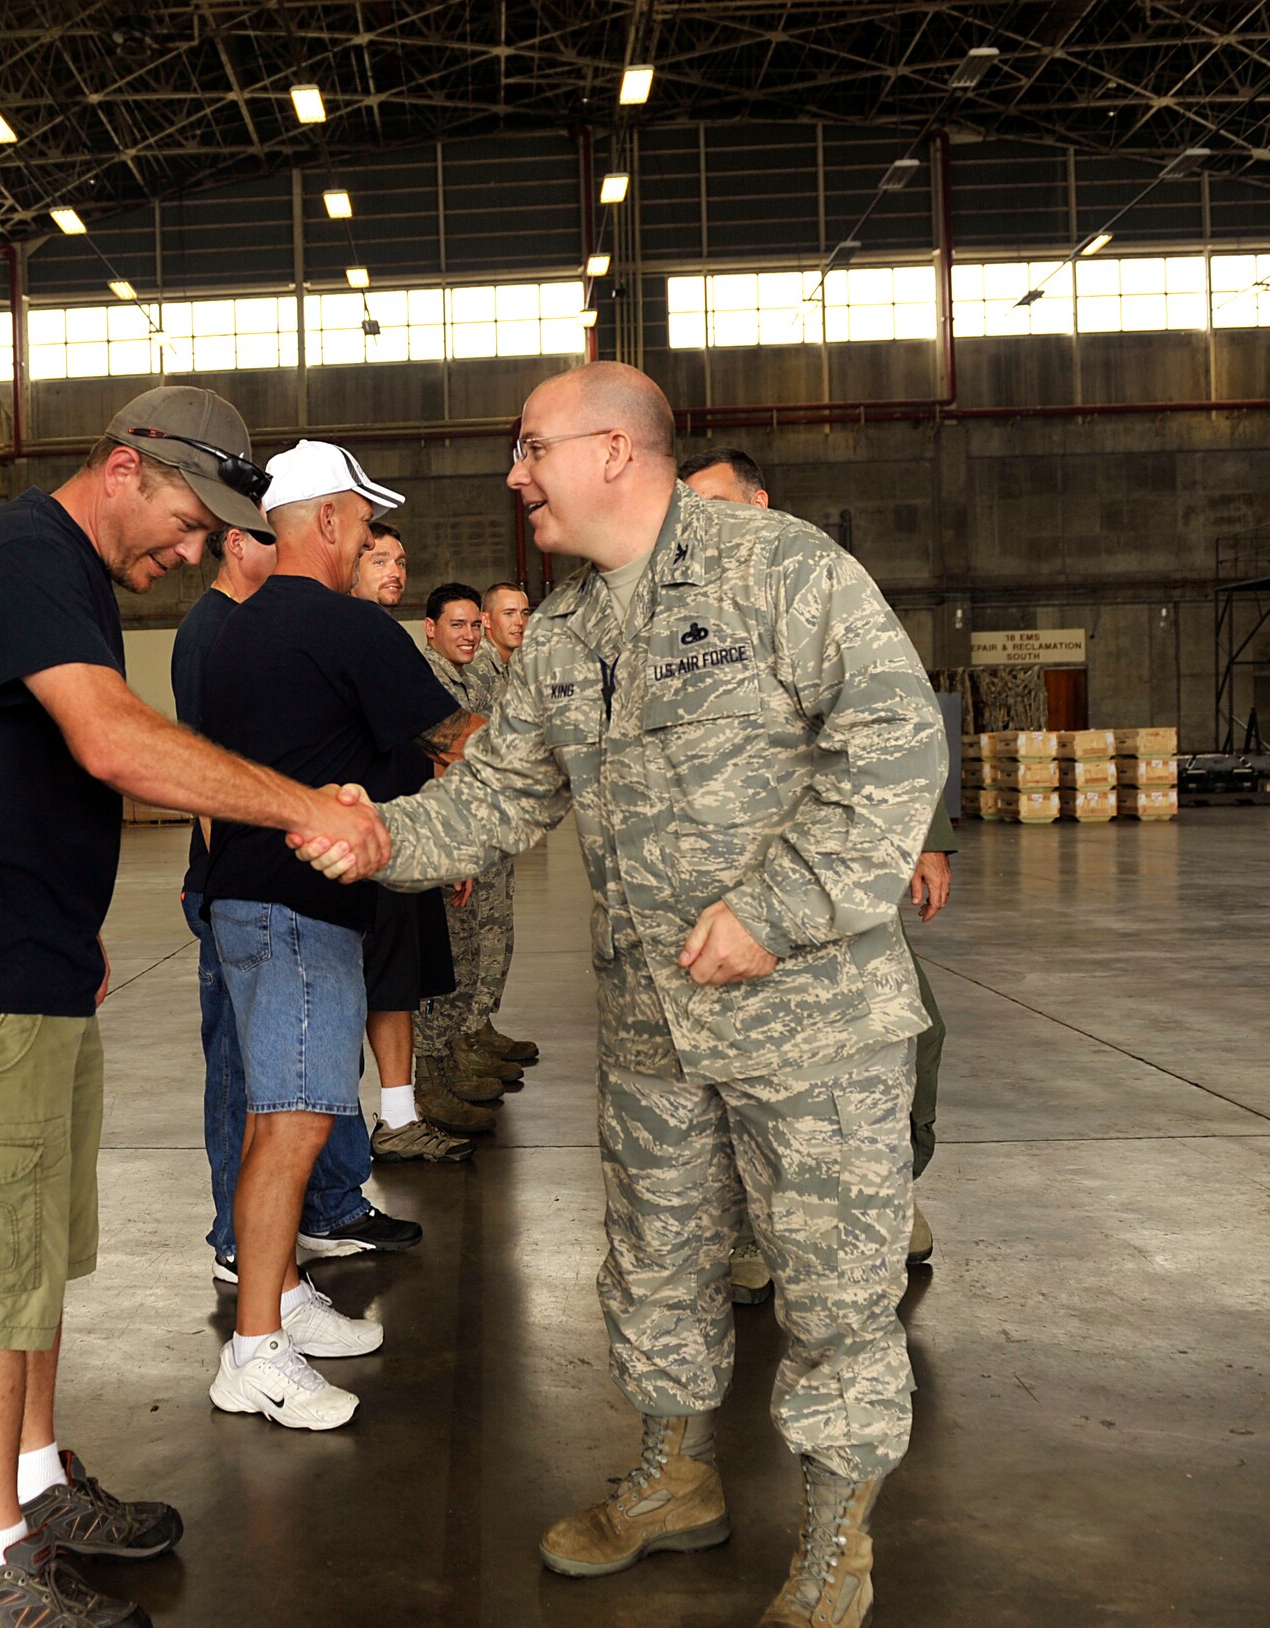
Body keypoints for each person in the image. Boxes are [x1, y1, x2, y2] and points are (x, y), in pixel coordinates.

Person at [295, 363, 943, 1626]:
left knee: (829, 1288)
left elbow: (893, 738)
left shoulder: (776, 568)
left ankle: (835, 1543)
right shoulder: (570, 630)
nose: (511, 473)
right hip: (651, 1024)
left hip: (810, 1026)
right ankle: (673, 1479)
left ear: (610, 451)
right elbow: (497, 799)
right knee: (654, 1263)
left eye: (530, 447)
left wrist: (775, 908)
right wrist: (382, 838)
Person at [0, 393, 391, 1623]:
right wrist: (301, 806)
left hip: (42, 963)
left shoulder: (66, 573)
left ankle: (28, 1479)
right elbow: (112, 743)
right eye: (182, 521)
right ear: (122, 468)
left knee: (34, 1259)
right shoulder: (24, 553)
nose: (187, 552)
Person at [198, 441, 480, 1430]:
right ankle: (254, 1349)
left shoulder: (235, 629)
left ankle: (274, 1300)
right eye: (363, 521)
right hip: (301, 910)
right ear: (324, 520)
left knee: (274, 1114)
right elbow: (459, 739)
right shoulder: (343, 625)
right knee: (294, 1121)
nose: (369, 539)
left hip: (238, 900)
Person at [681, 445, 951, 1282]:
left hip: (832, 874)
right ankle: (752, 1234)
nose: (700, 525)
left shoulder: (818, 585)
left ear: (760, 499)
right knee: (745, 1061)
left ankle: (885, 1186)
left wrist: (927, 837)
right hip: (728, 886)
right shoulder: (683, 607)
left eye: (716, 503)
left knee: (913, 1032)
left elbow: (889, 712)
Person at [175, 531, 439, 1290]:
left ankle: (307, 1235)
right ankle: (250, 1270)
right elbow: (205, 768)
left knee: (291, 1097)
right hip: (260, 888)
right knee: (261, 1090)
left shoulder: (276, 626)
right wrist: (209, 873)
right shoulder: (217, 632)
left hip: (299, 889)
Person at [349, 532, 494, 1142]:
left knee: (400, 986)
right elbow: (451, 738)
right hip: (365, 843)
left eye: (402, 561)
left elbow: (429, 751)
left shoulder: (383, 638)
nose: (395, 571)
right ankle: (374, 1125)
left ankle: (401, 1114)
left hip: (402, 840)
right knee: (370, 988)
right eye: (379, 558)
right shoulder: (352, 636)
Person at [412, 584, 526, 1114]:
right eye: (459, 625)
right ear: (431, 629)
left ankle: (463, 1040)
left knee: (480, 942)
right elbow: (450, 761)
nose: (470, 635)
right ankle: (437, 1067)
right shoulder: (439, 679)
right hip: (452, 837)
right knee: (450, 954)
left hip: (481, 830)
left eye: (472, 626)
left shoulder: (464, 672)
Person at [458, 579, 541, 1076]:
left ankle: (481, 1020)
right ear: (486, 621)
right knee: (476, 933)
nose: (519, 621)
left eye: (525, 612)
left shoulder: (510, 671)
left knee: (497, 931)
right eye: (509, 613)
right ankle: (464, 1034)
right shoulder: (479, 672)